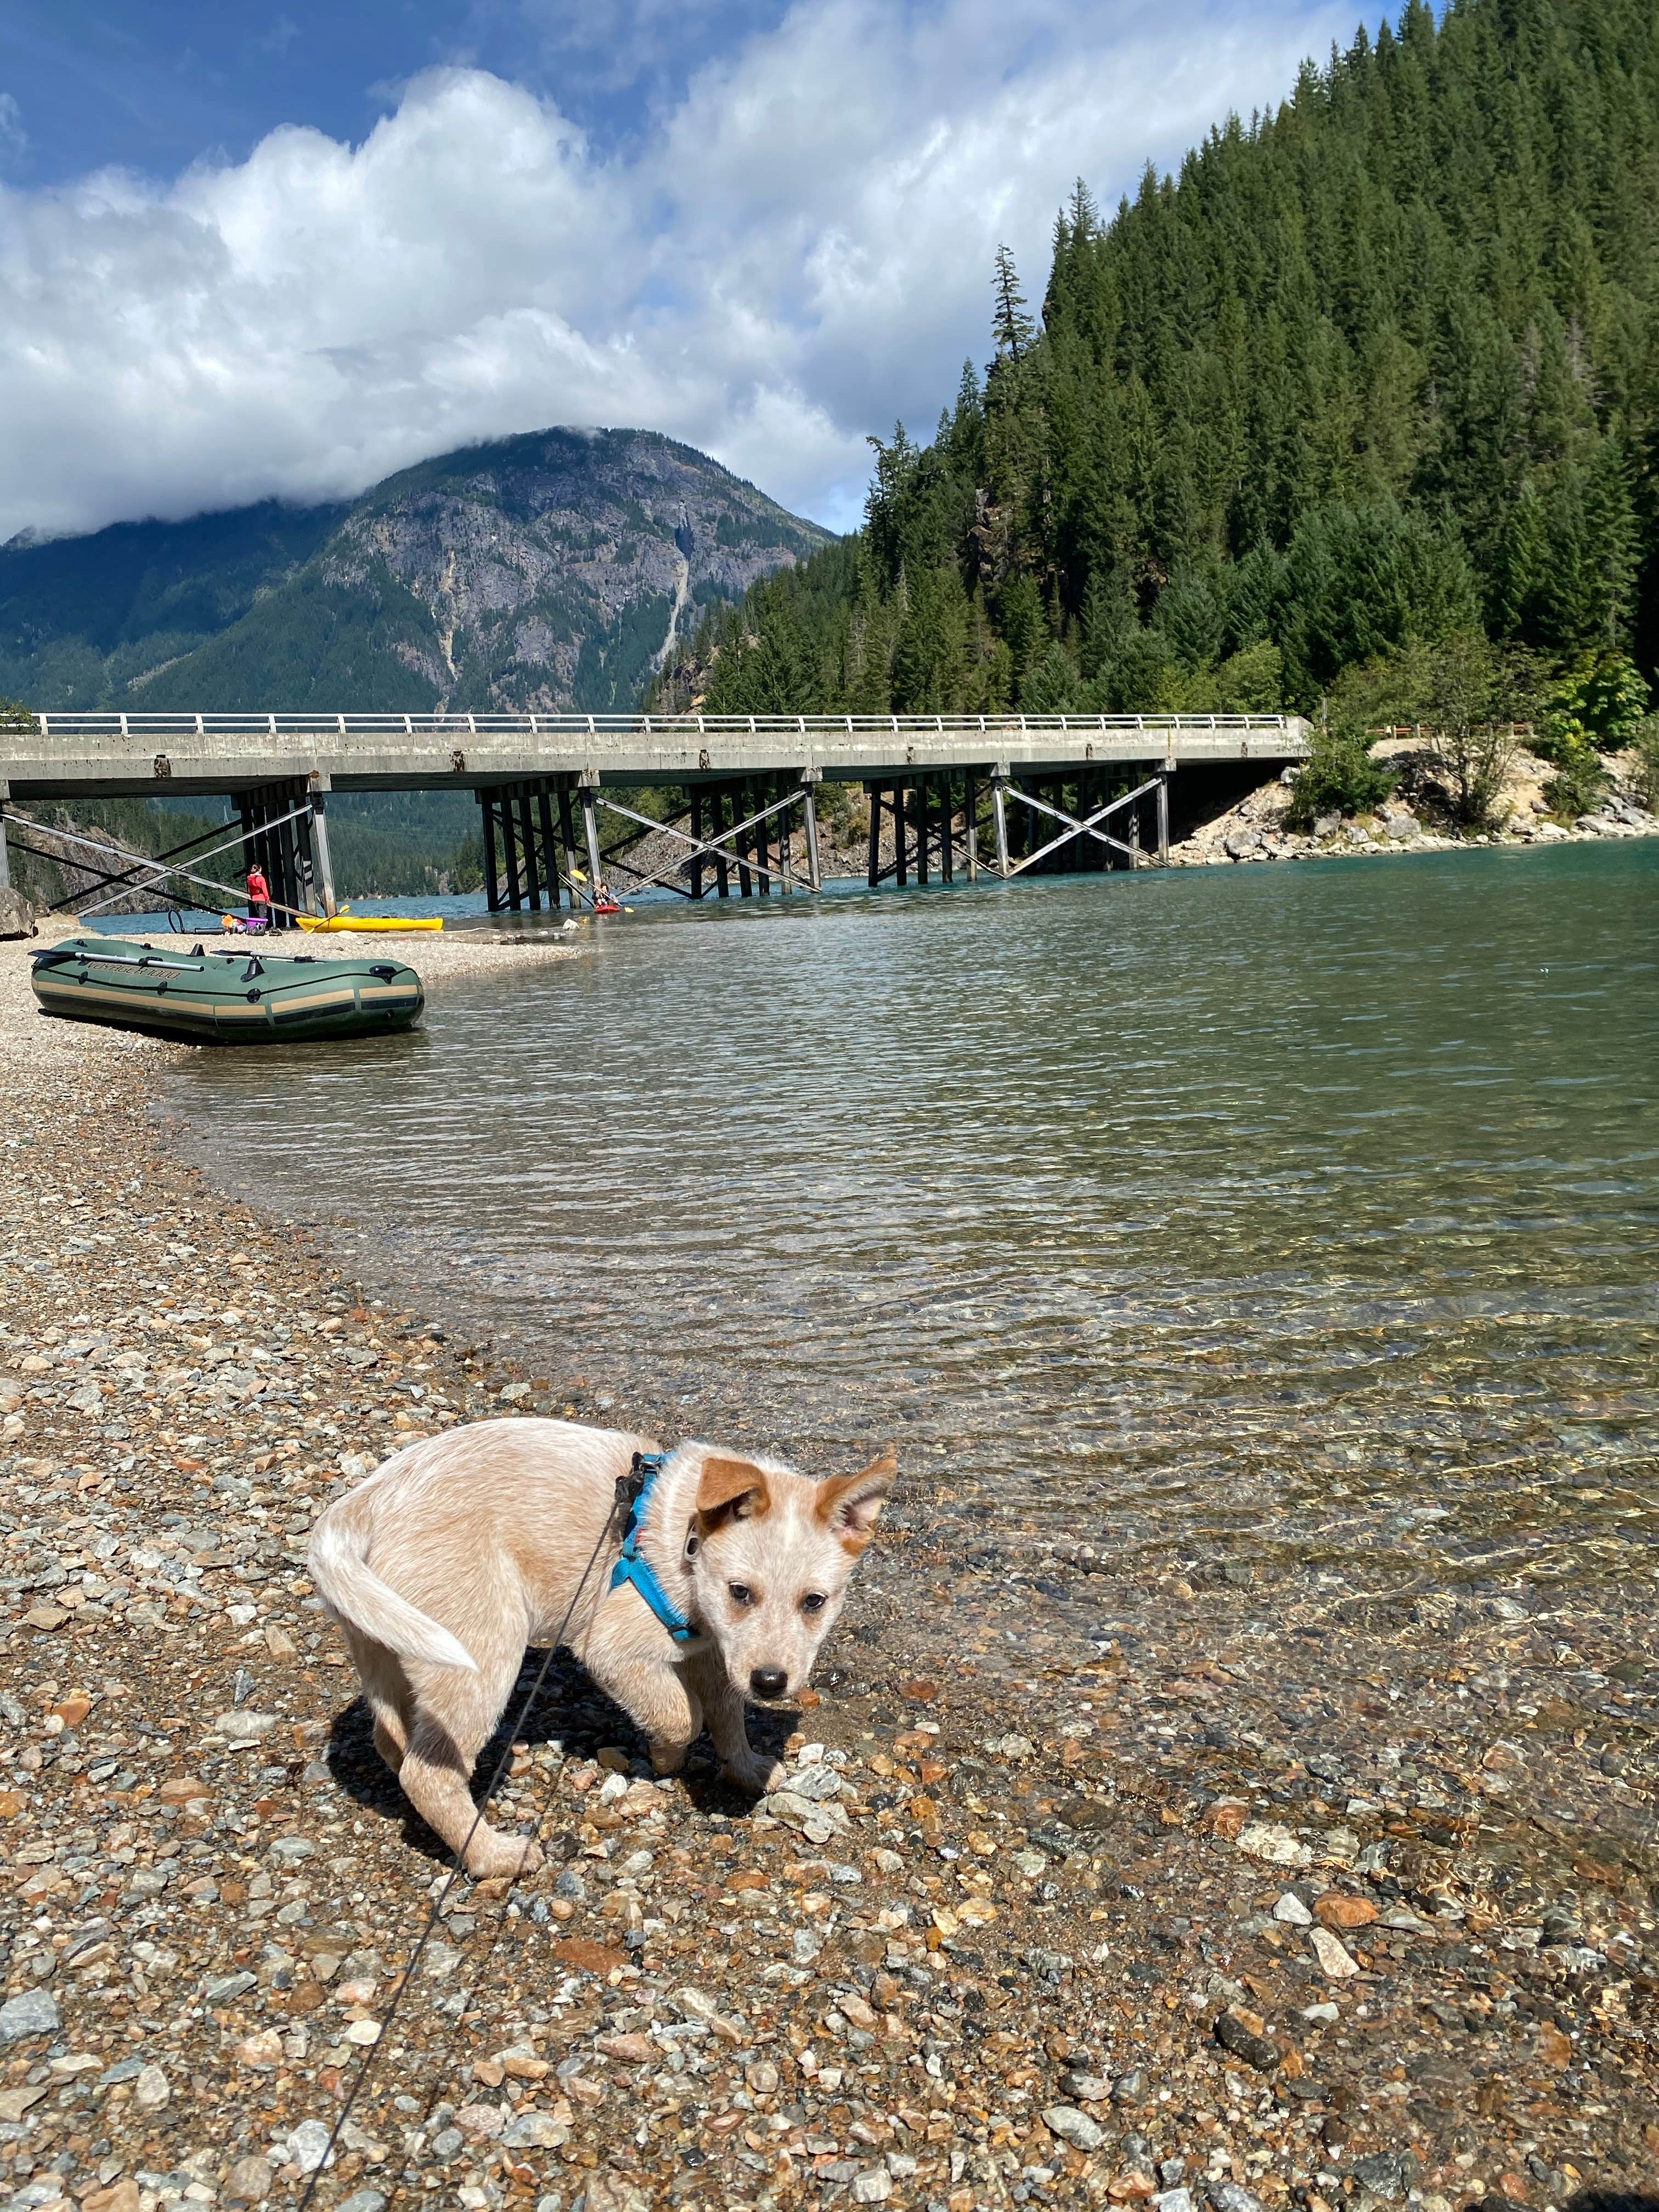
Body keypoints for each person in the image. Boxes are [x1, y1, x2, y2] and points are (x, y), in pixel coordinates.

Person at [246, 862, 273, 931]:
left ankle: (257, 929)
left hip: (255, 899)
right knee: (263, 916)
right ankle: (262, 930)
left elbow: (250, 890)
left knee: (258, 915)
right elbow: (265, 890)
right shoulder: (261, 879)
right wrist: (268, 899)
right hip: (262, 899)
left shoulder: (249, 878)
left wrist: (252, 897)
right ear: (259, 870)